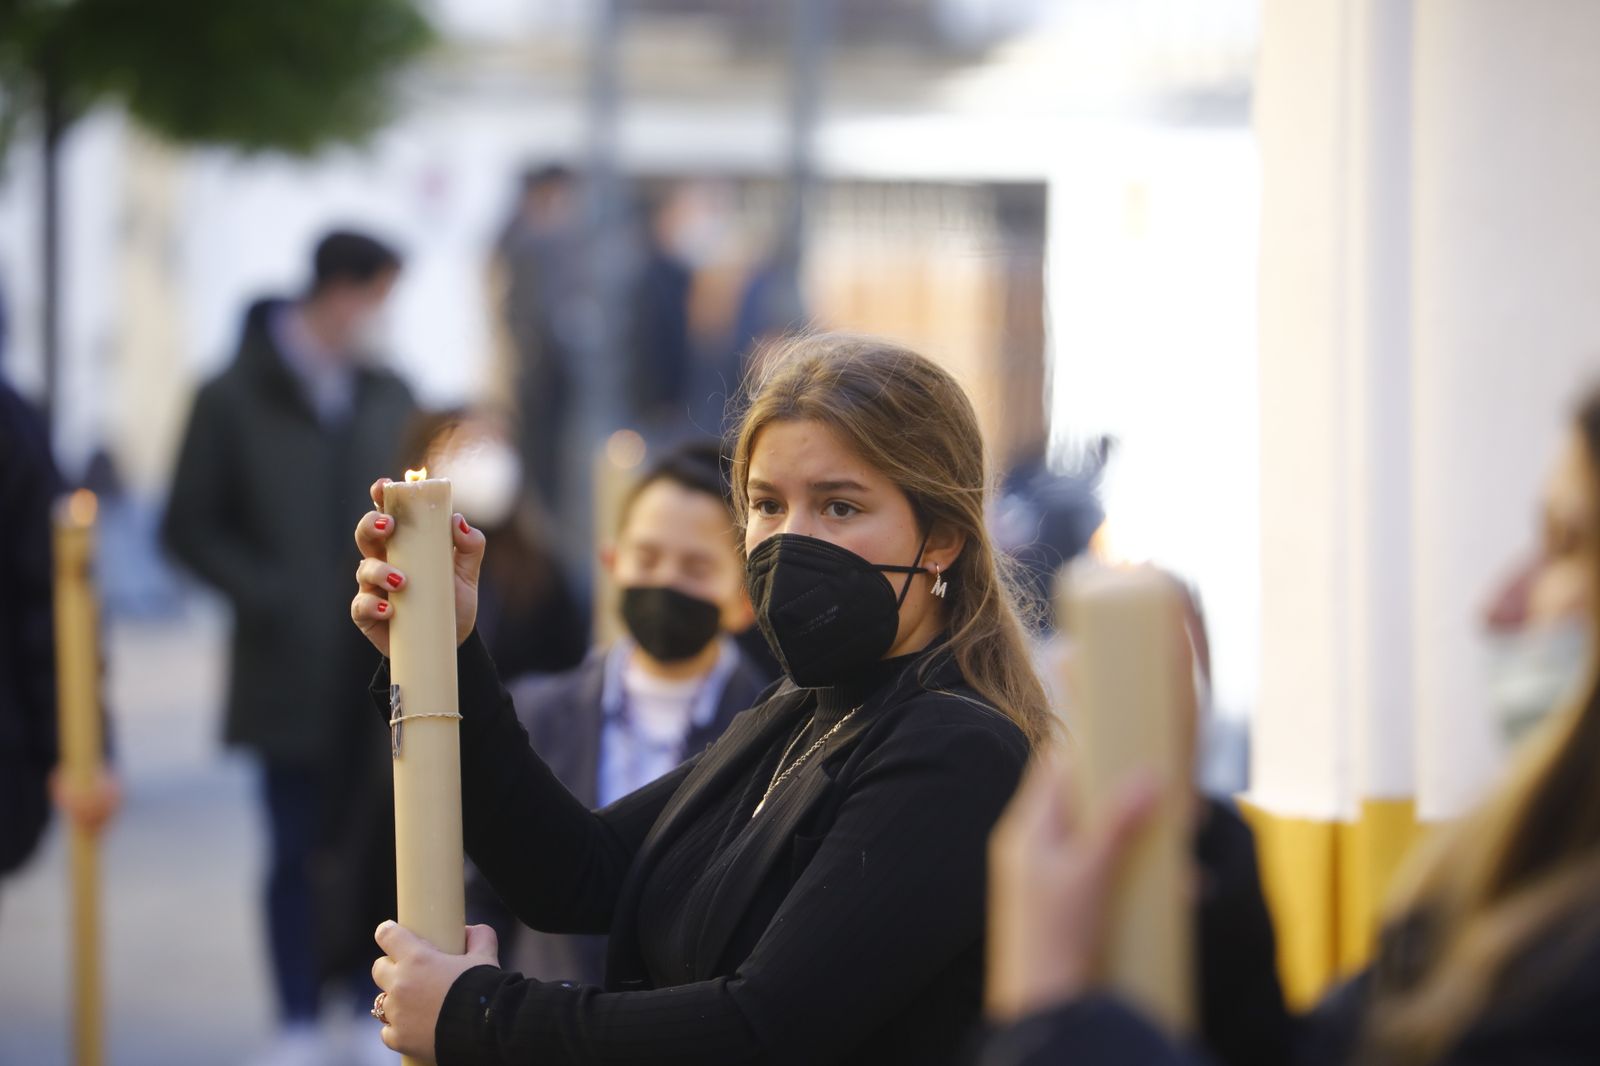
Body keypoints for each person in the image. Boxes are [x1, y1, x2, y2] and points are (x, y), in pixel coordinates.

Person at [345, 333, 1054, 1063]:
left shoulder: (953, 747)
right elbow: (578, 875)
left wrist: (482, 1015)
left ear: (939, 539)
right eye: (767, 505)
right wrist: (444, 650)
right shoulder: (801, 709)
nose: (790, 540)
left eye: (839, 508)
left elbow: (763, 1027)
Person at [981, 388, 1600, 1066]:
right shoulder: (1507, 871)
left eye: (1567, 545)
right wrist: (1189, 840)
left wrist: (1052, 1027)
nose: (1503, 605)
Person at [163, 229, 417, 1065]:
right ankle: (297, 1016)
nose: (382, 319)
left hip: (376, 664)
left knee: (379, 840)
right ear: (340, 291)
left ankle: (362, 1002)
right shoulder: (231, 395)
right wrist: (272, 596)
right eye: (377, 298)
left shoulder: (388, 392)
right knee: (293, 846)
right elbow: (188, 525)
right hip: (283, 669)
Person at [466, 439, 775, 987]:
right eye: (648, 558)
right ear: (612, 564)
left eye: (697, 567)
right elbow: (487, 891)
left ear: (743, 597)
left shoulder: (772, 736)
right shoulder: (532, 711)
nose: (666, 583)